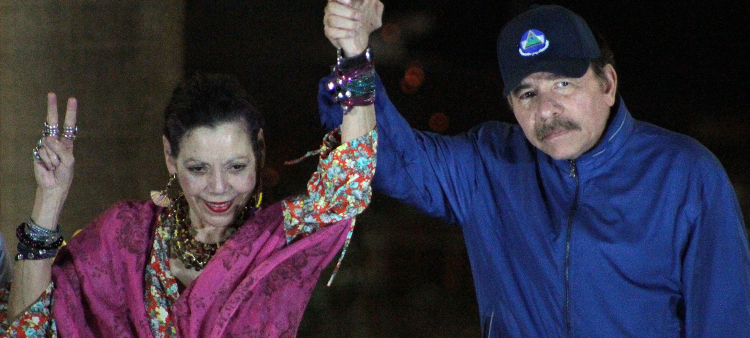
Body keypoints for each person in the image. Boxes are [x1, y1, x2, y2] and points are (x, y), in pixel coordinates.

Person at [322, 2, 750, 337]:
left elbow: (726, 321)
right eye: (527, 93)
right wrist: (355, 52)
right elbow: (385, 158)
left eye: (564, 83)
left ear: (607, 84)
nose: (547, 110)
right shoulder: (490, 165)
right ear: (510, 105)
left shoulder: (685, 175)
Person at [0, 71, 377, 337]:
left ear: (259, 150)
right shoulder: (125, 236)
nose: (218, 188)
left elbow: (349, 188)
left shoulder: (277, 240)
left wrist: (356, 56)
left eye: (236, 167)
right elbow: (28, 328)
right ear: (170, 156)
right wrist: (49, 199)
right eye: (198, 168)